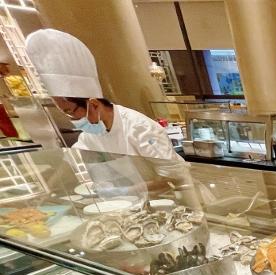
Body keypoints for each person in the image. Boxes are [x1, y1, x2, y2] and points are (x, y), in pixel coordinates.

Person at [25, 29, 188, 198]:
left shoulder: (139, 127)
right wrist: (47, 189)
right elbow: (73, 160)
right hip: (145, 197)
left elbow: (172, 176)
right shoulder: (93, 132)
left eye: (71, 112)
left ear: (93, 104)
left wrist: (127, 191)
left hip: (176, 195)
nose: (72, 120)